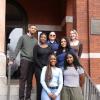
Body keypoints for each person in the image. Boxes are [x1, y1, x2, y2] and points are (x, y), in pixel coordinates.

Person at [11, 24, 38, 100]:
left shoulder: (36, 41)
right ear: (29, 29)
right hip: (25, 60)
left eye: (35, 29)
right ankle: (21, 98)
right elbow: (17, 48)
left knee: (30, 80)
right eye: (32, 28)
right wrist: (12, 59)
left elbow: (36, 53)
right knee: (23, 79)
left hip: (32, 62)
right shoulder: (23, 37)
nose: (33, 30)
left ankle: (28, 98)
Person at [33, 32, 52, 100]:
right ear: (39, 38)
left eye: (44, 37)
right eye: (42, 37)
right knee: (40, 86)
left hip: (48, 69)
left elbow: (51, 57)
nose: (43, 38)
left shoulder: (49, 47)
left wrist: (48, 67)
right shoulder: (36, 47)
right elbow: (35, 58)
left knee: (47, 85)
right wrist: (42, 67)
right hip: (39, 69)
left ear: (46, 38)